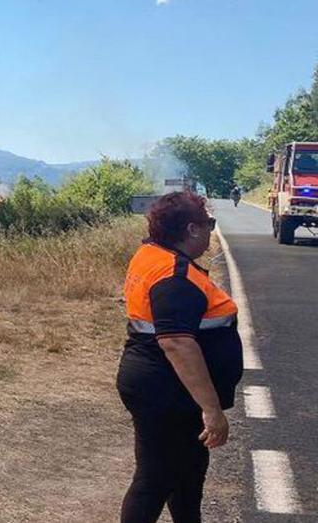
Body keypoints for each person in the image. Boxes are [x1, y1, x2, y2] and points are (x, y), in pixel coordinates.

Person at [116, 191, 243, 523]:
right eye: (209, 224)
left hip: (162, 387)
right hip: (166, 392)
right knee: (154, 480)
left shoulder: (151, 254)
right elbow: (176, 343)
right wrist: (212, 411)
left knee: (186, 475)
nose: (211, 231)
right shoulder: (174, 276)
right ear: (191, 229)